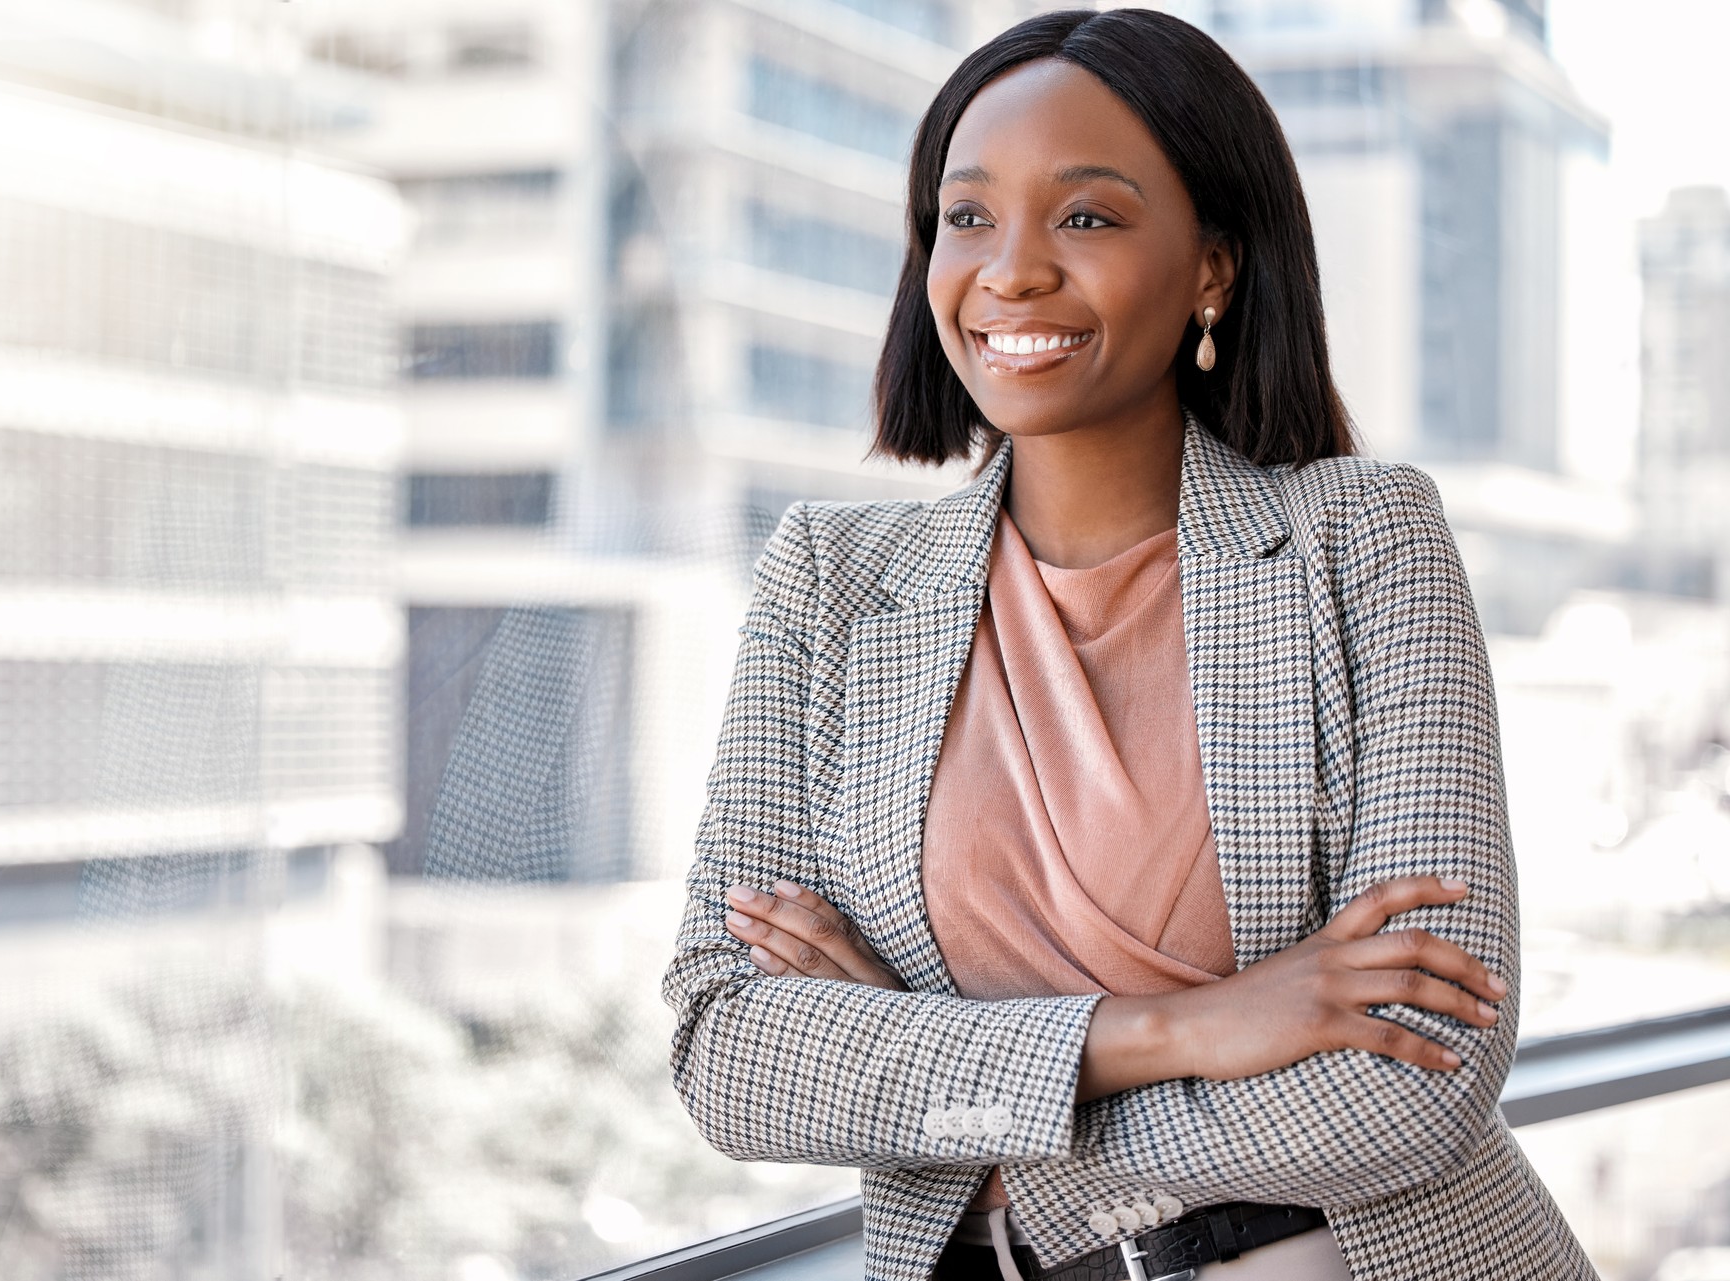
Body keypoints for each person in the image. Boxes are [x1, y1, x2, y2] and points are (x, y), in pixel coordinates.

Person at [660, 9, 1596, 1281]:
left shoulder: (1364, 544)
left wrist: (939, 1083)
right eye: (968, 217)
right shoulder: (830, 586)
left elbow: (1421, 1077)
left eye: (1086, 218)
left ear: (1212, 267)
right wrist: (1175, 1028)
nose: (1012, 271)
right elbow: (731, 1055)